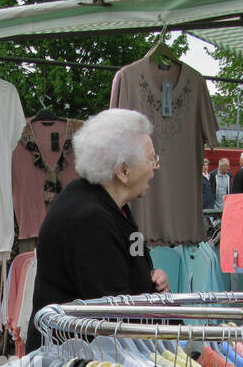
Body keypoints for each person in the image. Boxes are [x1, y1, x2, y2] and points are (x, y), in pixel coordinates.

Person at [26, 108, 170, 352]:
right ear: (123, 171)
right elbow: (116, 317)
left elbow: (132, 260)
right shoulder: (89, 220)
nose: (155, 167)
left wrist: (153, 278)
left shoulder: (114, 203)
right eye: (151, 159)